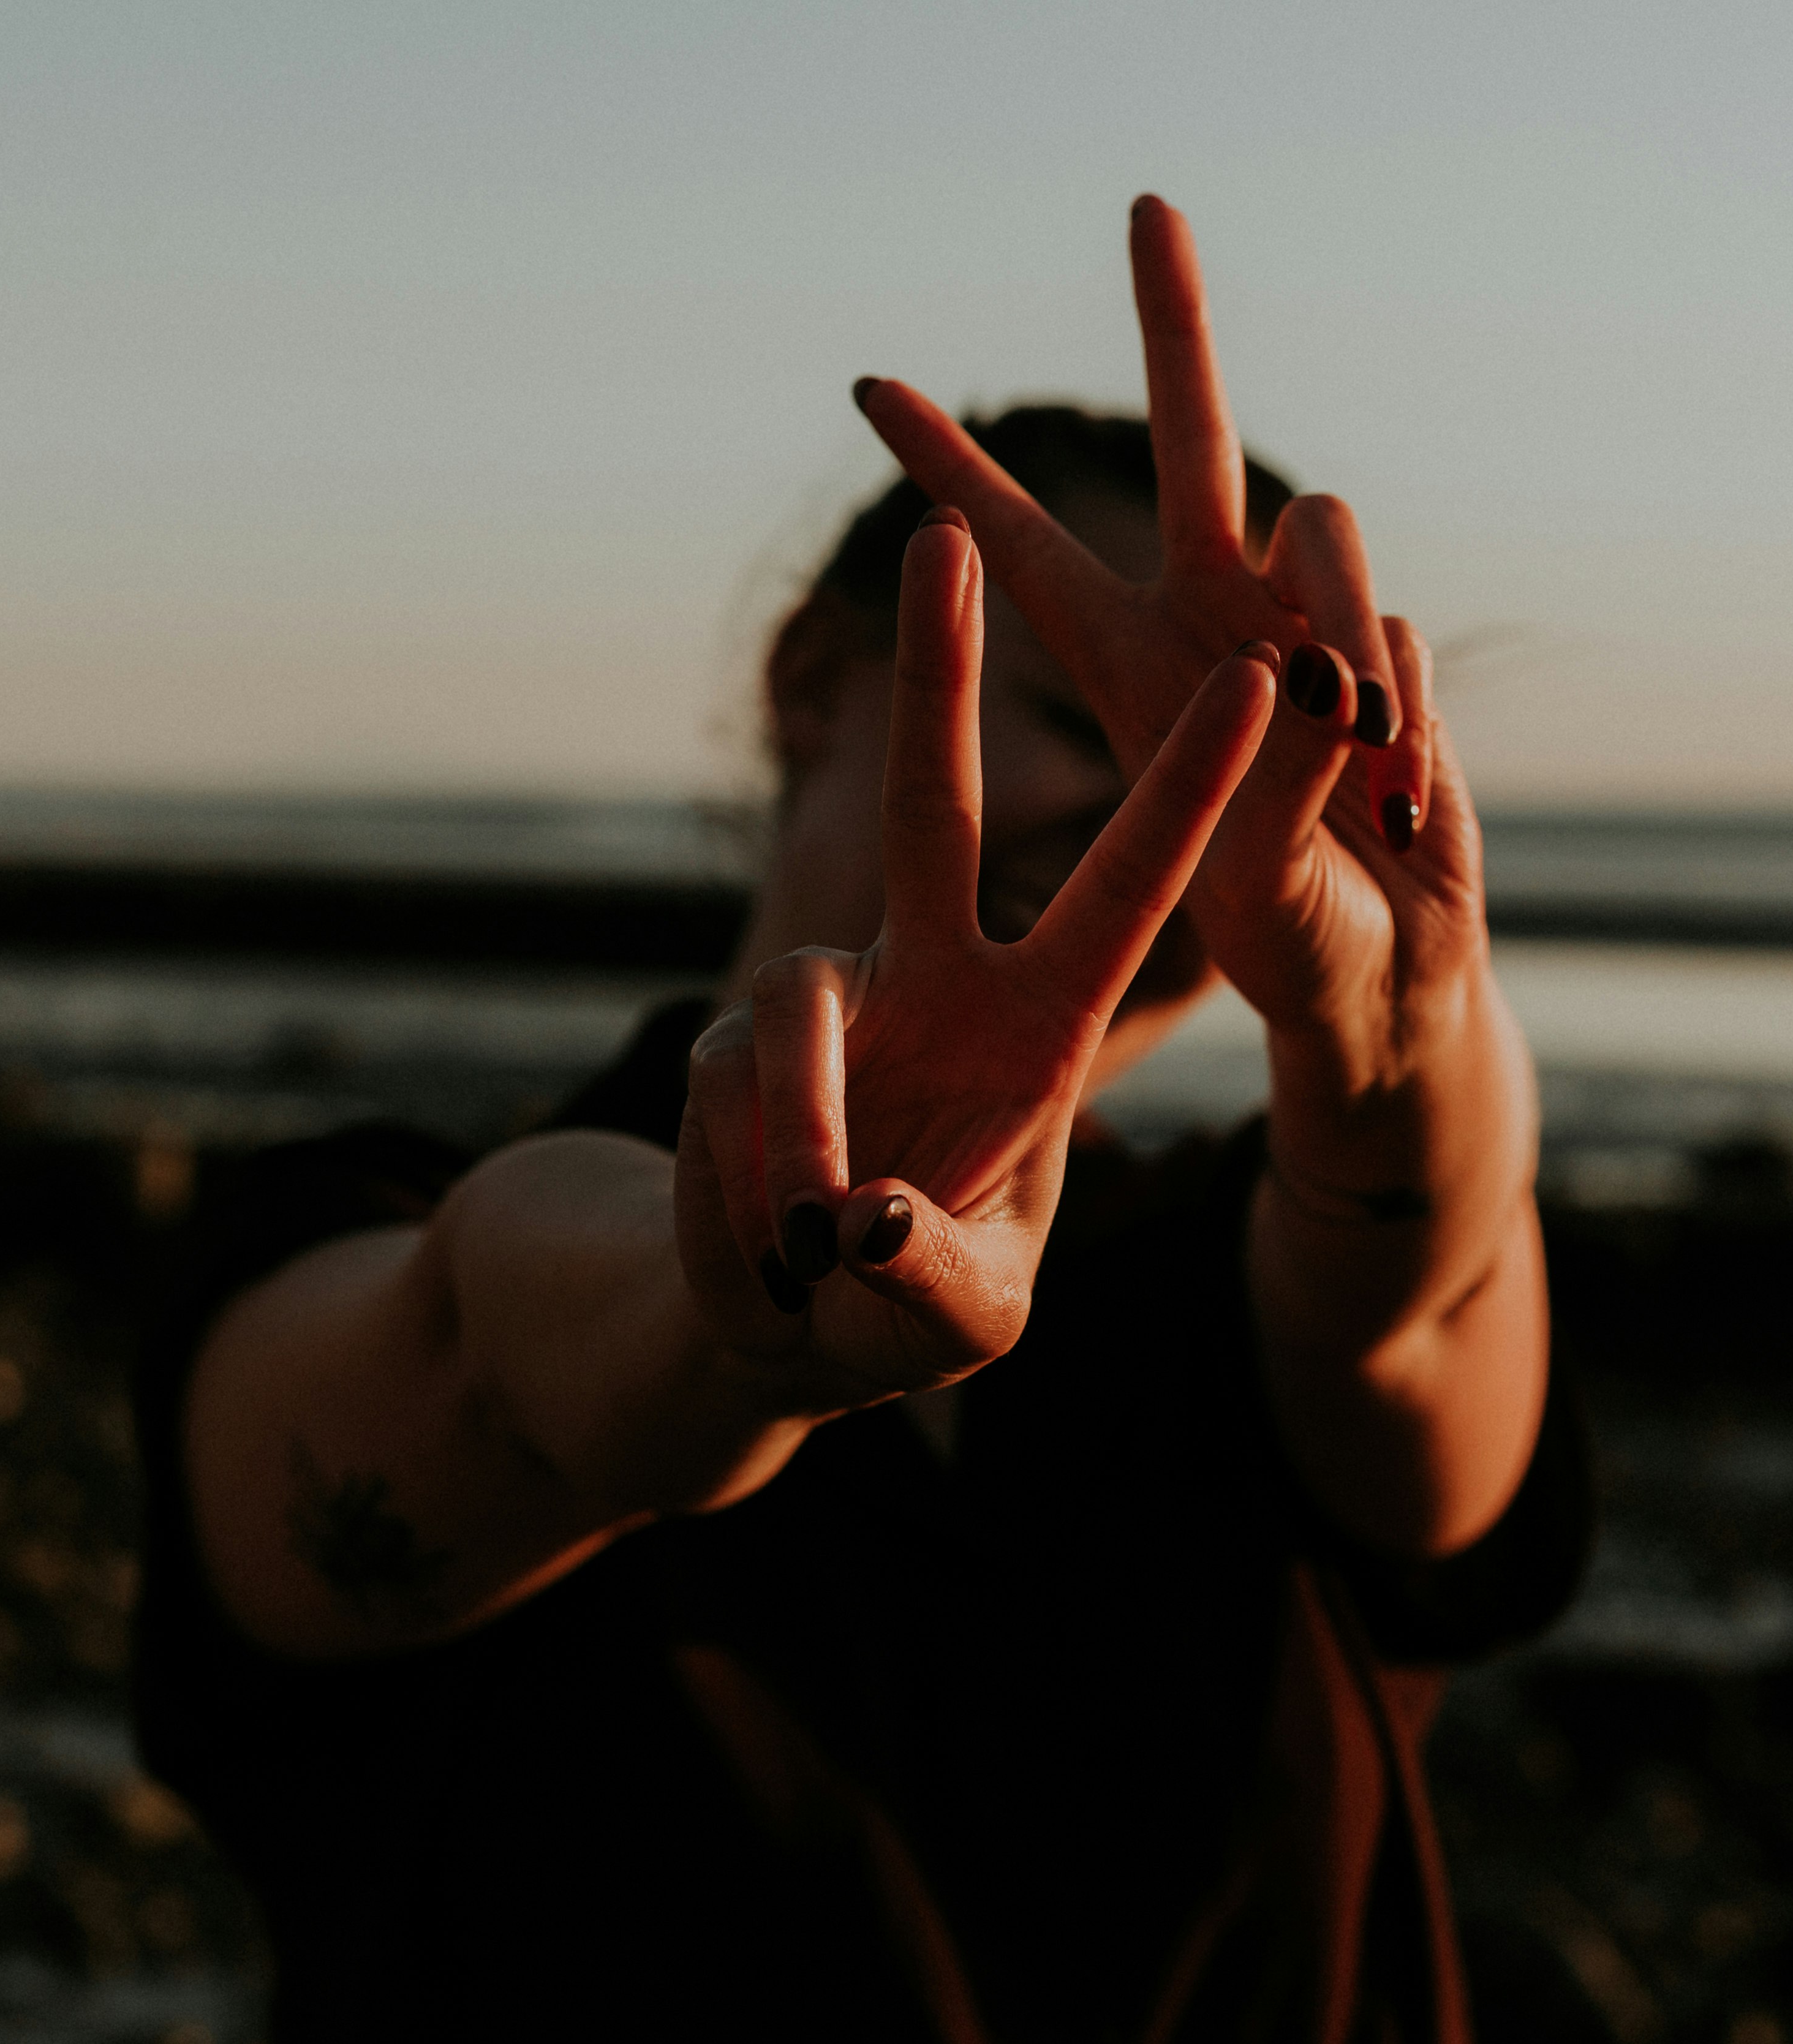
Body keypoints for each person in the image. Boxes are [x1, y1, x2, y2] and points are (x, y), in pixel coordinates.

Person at [133, 197, 1590, 2041]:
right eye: (1085, 716)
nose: (1171, 827)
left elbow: (1429, 1279)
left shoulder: (1265, 1291)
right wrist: (743, 1298)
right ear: (815, 681)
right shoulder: (356, 1239)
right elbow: (489, 1346)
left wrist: (1400, 1040)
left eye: (1233, 767)